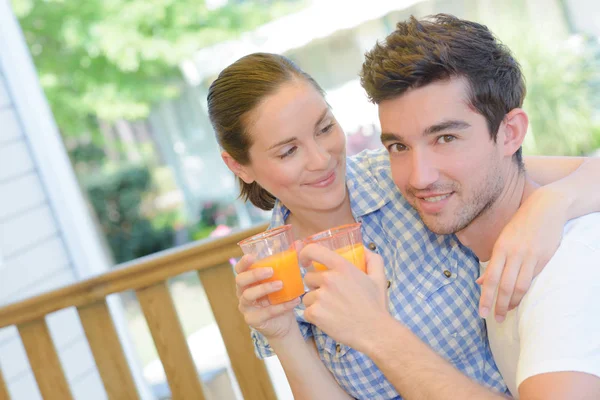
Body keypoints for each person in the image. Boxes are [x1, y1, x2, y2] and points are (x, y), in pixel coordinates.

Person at [207, 50, 600, 398]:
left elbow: (571, 173)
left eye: (325, 128)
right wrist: (283, 335)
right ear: (239, 166)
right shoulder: (273, 272)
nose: (321, 159)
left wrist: (550, 203)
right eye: (289, 150)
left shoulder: (409, 176)